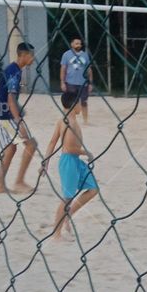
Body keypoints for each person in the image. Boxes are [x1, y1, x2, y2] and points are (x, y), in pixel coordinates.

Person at [41, 90, 99, 240]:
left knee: (93, 189)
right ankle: (56, 233)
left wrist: (45, 162)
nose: (81, 105)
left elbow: (52, 142)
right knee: (67, 198)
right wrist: (87, 153)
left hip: (75, 161)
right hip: (69, 162)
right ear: (74, 105)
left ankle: (69, 214)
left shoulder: (63, 120)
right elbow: (69, 148)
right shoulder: (70, 123)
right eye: (79, 102)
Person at [0, 41, 38, 194]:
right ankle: (19, 182)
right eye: (31, 55)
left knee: (10, 149)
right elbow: (10, 98)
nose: (33, 58)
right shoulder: (14, 72)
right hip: (6, 116)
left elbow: (10, 97)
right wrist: (19, 121)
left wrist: (19, 109)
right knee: (31, 144)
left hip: (0, 114)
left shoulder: (13, 69)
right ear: (23, 55)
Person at [60, 37, 93, 124]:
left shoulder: (85, 55)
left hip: (83, 83)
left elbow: (89, 69)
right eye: (76, 43)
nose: (79, 45)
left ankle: (85, 121)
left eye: (80, 43)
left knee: (84, 102)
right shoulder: (66, 55)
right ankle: (68, 119)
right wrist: (62, 82)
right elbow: (63, 69)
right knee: (69, 102)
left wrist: (90, 83)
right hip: (70, 82)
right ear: (72, 44)